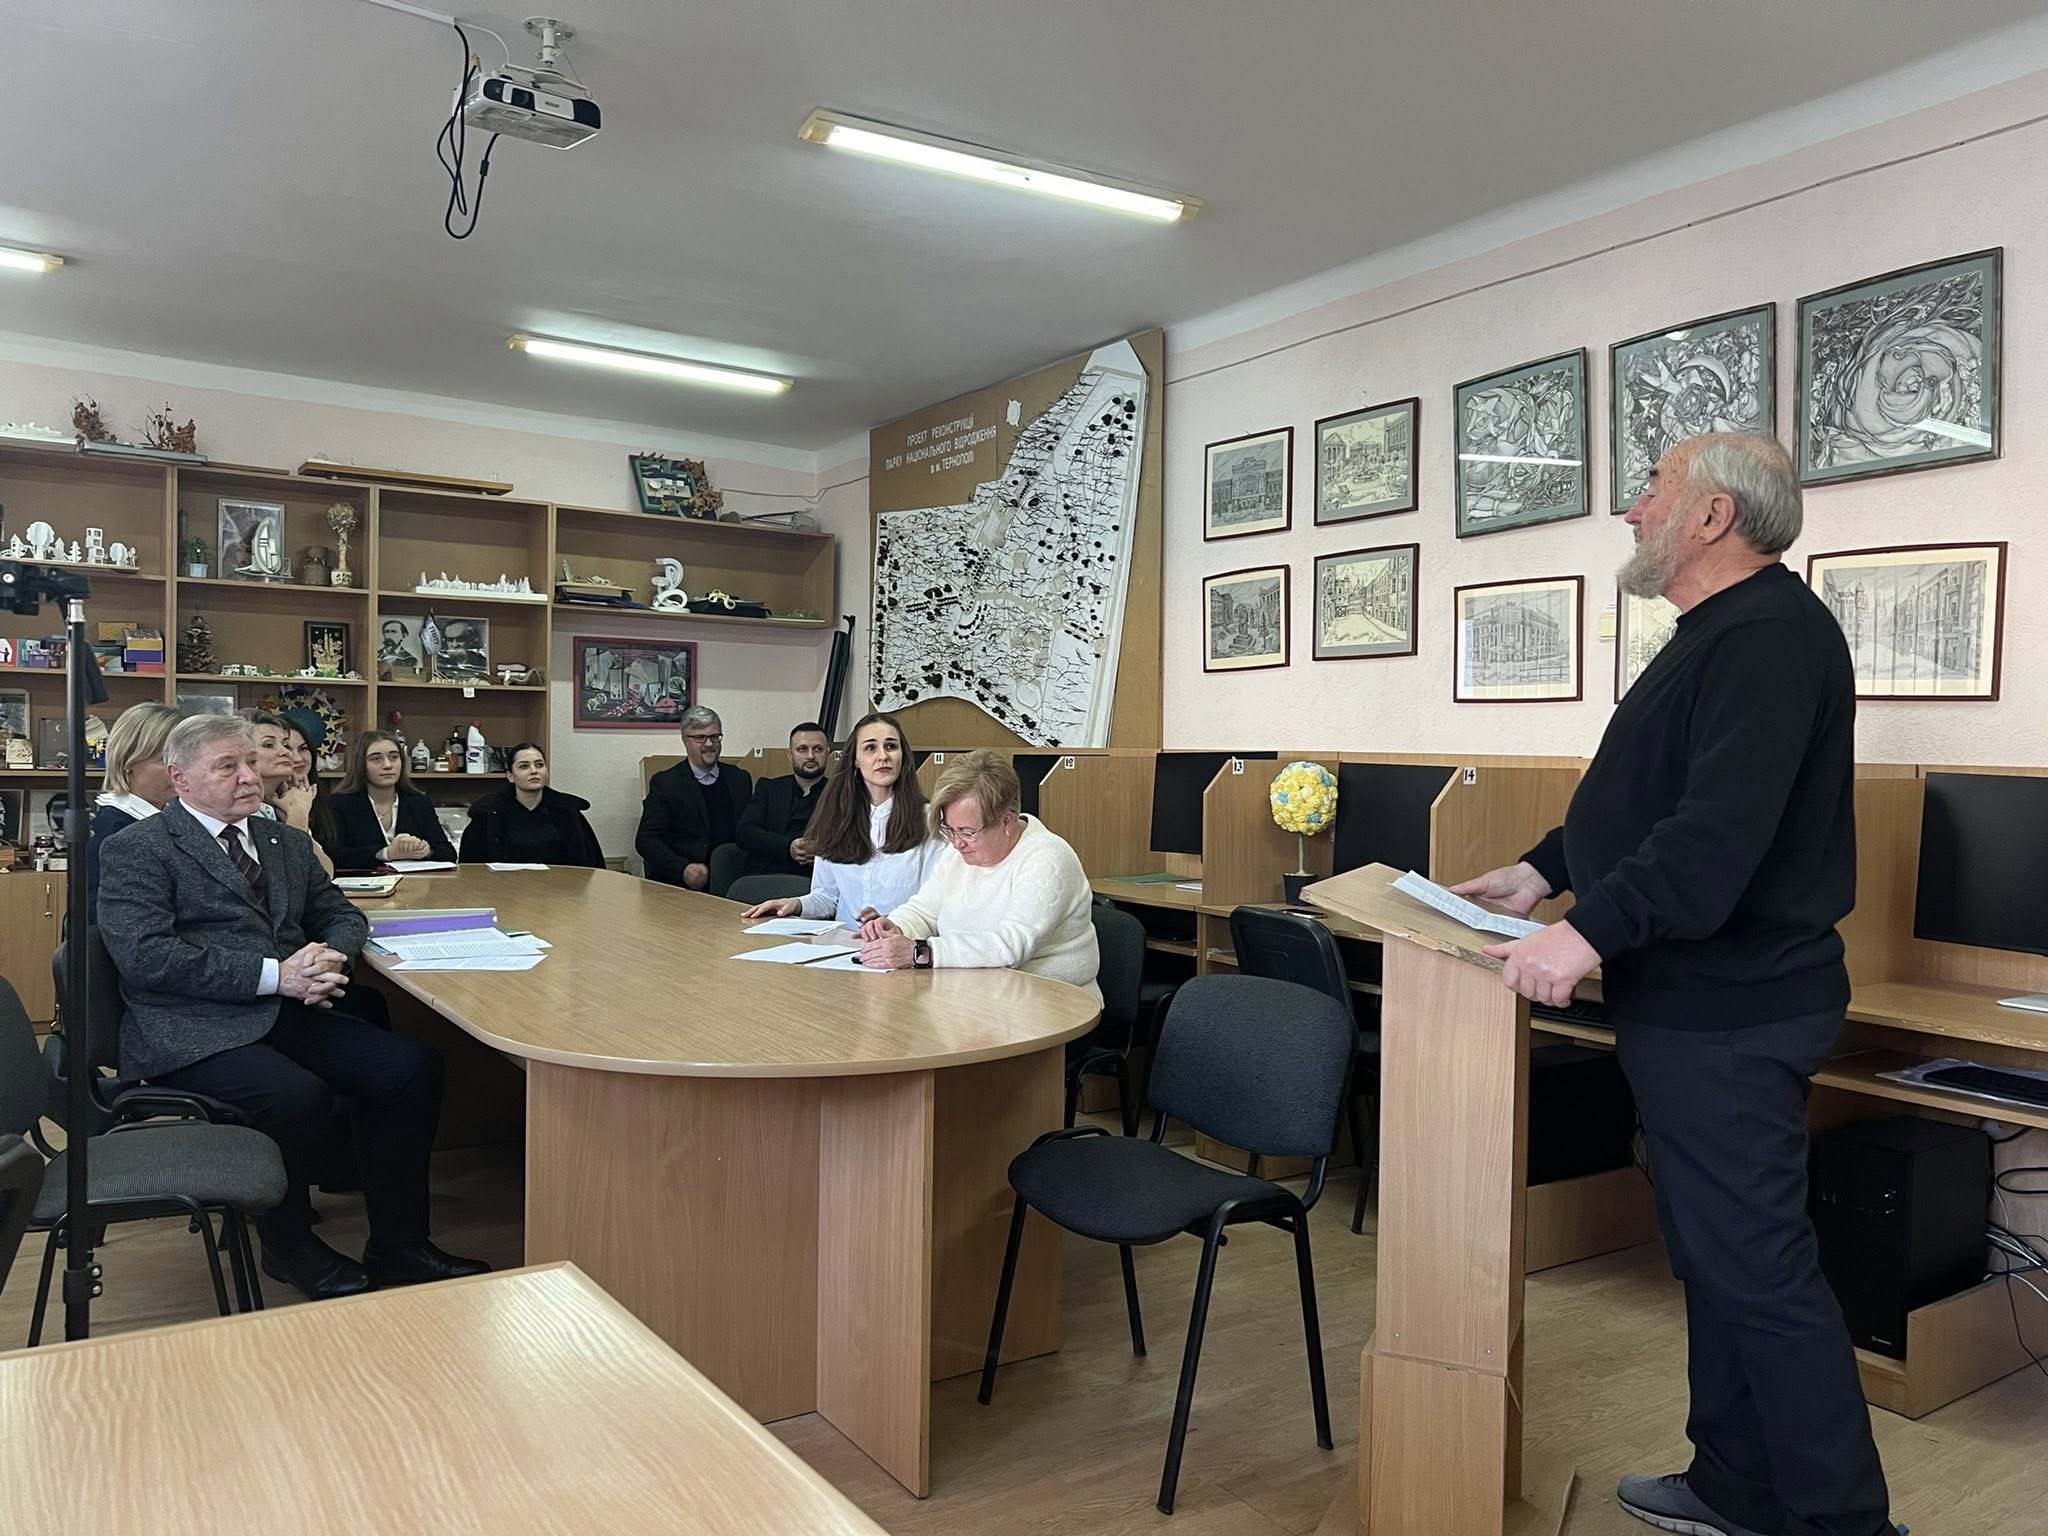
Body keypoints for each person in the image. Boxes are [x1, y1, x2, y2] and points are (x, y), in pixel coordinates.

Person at [1450, 433, 1899, 1536]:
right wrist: (1543, 872)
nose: (1630, 510)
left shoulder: (1769, 638)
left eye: (1651, 488)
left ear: (1711, 517)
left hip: (1733, 1010)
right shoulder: (1717, 633)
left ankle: (1843, 1524)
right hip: (1691, 1005)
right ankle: (1732, 1485)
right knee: (1713, 1258)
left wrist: (1582, 934)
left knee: (1757, 1271)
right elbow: (1645, 800)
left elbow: (1713, 838)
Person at [97, 714, 487, 1299]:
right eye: (227, 767)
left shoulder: (283, 841)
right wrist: (275, 976)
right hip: (190, 1027)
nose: (249, 777)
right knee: (292, 1095)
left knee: (411, 1067)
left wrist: (331, 957)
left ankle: (400, 1243)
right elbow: (147, 958)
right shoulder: (138, 848)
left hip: (288, 1007)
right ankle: (288, 1246)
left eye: (250, 763)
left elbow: (340, 913)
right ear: (180, 778)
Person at [856, 749, 1098, 999]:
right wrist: (896, 927)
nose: (956, 842)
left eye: (967, 832)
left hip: (1050, 1001)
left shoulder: (1048, 858)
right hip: (974, 994)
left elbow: (1010, 946)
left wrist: (921, 952)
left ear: (1006, 822)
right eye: (950, 829)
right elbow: (924, 912)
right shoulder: (959, 852)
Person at [740, 712, 945, 926]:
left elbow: (932, 904)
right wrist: (795, 904)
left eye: (891, 746)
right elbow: (827, 897)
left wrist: (897, 926)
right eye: (870, 747)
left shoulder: (929, 819)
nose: (883, 756)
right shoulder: (835, 817)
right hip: (845, 941)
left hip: (901, 939)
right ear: (855, 759)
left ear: (902, 756)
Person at [636, 704, 752, 890]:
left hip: (732, 880)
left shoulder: (740, 779)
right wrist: (683, 868)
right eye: (700, 737)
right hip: (682, 885)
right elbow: (646, 840)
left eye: (715, 736)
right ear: (685, 740)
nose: (709, 744)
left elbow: (748, 830)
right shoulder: (666, 783)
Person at [86, 700, 181, 920]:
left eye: (184, 759)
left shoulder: (167, 816)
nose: (178, 770)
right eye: (165, 759)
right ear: (128, 761)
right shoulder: (114, 831)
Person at [324, 731, 459, 870]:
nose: (388, 765)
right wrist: (385, 853)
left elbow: (448, 853)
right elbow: (331, 857)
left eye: (394, 757)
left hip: (413, 882)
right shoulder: (339, 804)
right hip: (364, 882)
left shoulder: (418, 802)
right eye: (376, 759)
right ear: (360, 765)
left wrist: (426, 851)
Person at [458, 741, 604, 867]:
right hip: (502, 888)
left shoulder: (567, 811)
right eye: (524, 766)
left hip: (559, 888)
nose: (534, 771)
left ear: (547, 772)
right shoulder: (489, 813)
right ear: (510, 776)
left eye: (539, 765)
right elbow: (470, 867)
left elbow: (591, 865)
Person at [243, 707, 335, 877]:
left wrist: (296, 812)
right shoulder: (242, 808)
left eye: (284, 744)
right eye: (269, 745)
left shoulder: (282, 802)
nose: (286, 752)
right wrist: (297, 815)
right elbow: (291, 879)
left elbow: (325, 873)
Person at [733, 721, 830, 879]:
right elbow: (745, 833)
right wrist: (788, 847)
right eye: (802, 749)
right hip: (765, 875)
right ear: (790, 755)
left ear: (827, 753)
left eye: (818, 749)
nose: (810, 756)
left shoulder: (842, 794)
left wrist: (821, 851)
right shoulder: (768, 789)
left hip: (814, 880)